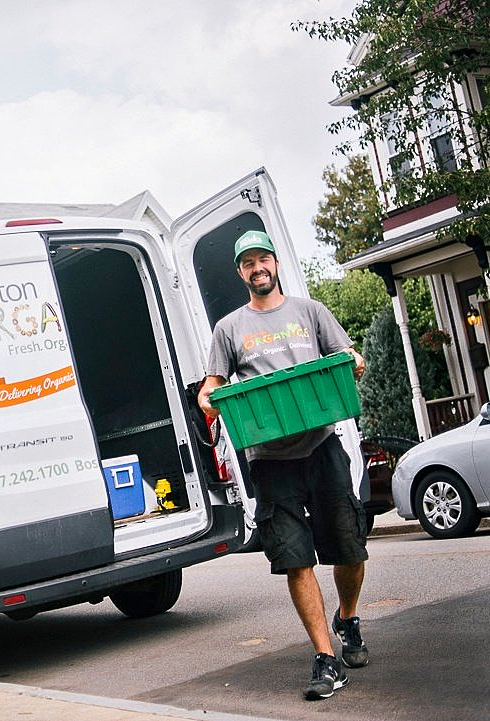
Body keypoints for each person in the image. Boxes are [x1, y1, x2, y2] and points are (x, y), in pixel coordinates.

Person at [197, 230, 369, 701]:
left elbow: (349, 356)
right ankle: (325, 657)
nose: (257, 268)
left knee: (349, 548)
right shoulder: (228, 328)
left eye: (263, 259)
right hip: (270, 460)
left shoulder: (310, 312)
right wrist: (208, 398)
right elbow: (211, 386)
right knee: (295, 559)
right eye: (248, 263)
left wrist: (353, 361)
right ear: (240, 272)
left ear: (275, 263)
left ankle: (348, 618)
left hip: (321, 446)